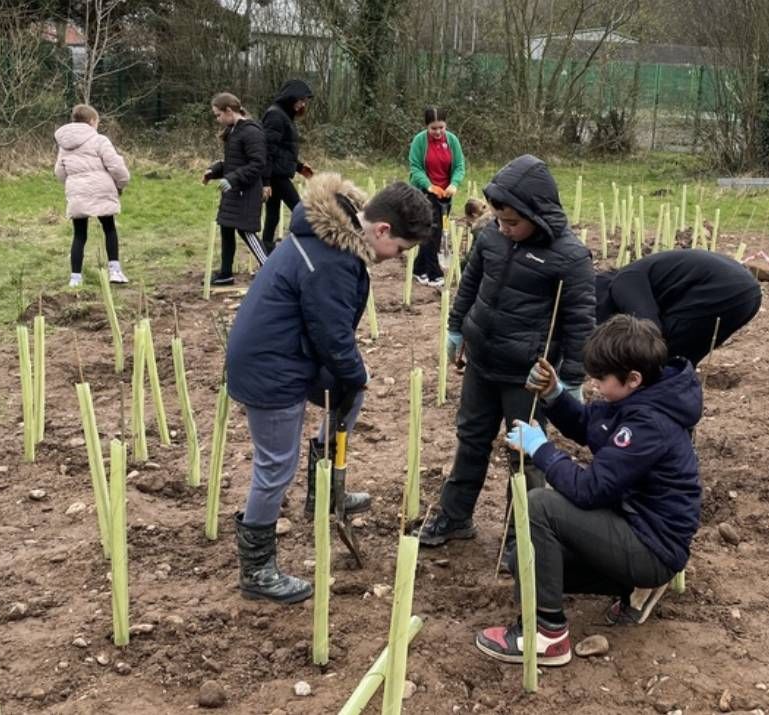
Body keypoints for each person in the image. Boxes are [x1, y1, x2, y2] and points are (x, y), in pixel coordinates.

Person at [224, 175, 436, 604]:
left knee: (354, 387)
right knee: (274, 467)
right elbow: (333, 335)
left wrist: (352, 380)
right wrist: (351, 375)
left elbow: (330, 338)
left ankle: (324, 491)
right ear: (380, 230)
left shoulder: (332, 239)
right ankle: (258, 570)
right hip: (271, 366)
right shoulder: (333, 260)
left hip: (291, 351)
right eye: (400, 250)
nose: (396, 259)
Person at [475, 315, 703, 666]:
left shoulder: (650, 424)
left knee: (540, 507)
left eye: (601, 379)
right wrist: (555, 395)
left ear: (633, 379)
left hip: (652, 547)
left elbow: (588, 490)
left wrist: (542, 449)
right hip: (635, 528)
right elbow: (591, 426)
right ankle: (632, 589)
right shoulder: (640, 400)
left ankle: (547, 636)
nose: (594, 385)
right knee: (525, 559)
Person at [419, 154, 595, 549]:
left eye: (513, 222)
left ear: (539, 214)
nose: (504, 227)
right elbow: (470, 283)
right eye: (499, 219)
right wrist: (455, 327)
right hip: (482, 361)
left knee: (526, 454)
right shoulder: (491, 237)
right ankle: (454, 516)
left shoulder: (570, 257)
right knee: (471, 438)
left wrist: (572, 379)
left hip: (527, 376)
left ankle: (523, 532)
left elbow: (580, 321)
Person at [595, 249, 763, 364]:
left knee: (657, 355)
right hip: (749, 293)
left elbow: (650, 331)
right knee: (681, 361)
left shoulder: (623, 282)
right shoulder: (638, 274)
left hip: (722, 289)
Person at [55, 104, 132, 287]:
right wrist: (121, 183)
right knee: (109, 228)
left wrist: (73, 183)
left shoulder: (64, 146)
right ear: (92, 121)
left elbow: (59, 171)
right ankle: (115, 270)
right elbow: (115, 165)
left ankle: (75, 278)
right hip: (102, 190)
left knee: (79, 234)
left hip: (78, 193)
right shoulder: (99, 140)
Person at [202, 92, 269, 285]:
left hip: (246, 192)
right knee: (227, 228)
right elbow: (232, 163)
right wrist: (213, 171)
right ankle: (225, 273)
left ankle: (269, 268)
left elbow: (257, 164)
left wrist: (233, 179)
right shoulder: (234, 131)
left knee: (246, 231)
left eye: (218, 115)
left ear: (229, 110)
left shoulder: (251, 131)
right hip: (234, 192)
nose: (217, 119)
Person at [407, 106, 466, 287]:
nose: (438, 132)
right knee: (432, 231)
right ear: (427, 127)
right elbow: (415, 167)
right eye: (433, 128)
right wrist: (429, 186)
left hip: (445, 193)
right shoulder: (419, 141)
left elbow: (459, 165)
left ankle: (419, 268)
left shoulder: (452, 141)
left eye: (441, 127)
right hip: (424, 192)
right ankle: (434, 272)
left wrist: (454, 184)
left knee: (436, 231)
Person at [260, 79, 315, 253]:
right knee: (300, 209)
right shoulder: (275, 115)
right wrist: (266, 181)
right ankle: (312, 245)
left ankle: (266, 253)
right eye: (301, 100)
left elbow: (282, 149)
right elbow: (268, 149)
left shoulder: (284, 116)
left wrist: (299, 167)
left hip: (278, 172)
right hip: (276, 175)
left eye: (305, 101)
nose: (303, 104)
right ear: (291, 98)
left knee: (273, 215)